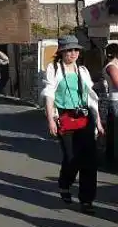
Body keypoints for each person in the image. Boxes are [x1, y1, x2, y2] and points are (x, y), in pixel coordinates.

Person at [42, 35, 104, 214]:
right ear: (61, 52)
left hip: (84, 117)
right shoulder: (53, 69)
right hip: (65, 117)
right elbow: (49, 94)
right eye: (69, 50)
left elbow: (91, 98)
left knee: (89, 160)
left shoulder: (82, 70)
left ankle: (86, 200)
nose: (73, 53)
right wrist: (51, 120)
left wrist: (98, 121)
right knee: (71, 158)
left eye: (76, 49)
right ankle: (65, 185)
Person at [103, 42, 118, 163]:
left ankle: (110, 156)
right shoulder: (111, 66)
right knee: (114, 131)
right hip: (116, 101)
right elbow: (117, 83)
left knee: (113, 130)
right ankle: (111, 157)